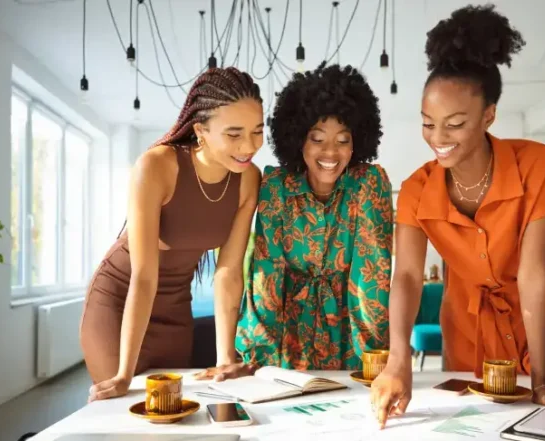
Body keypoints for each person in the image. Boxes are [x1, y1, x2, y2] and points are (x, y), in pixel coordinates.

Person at [370, 4, 545, 427]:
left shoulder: (538, 165)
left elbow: (534, 272)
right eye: (427, 123)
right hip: (469, 328)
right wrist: (399, 360)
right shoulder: (417, 189)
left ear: (488, 115)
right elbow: (405, 276)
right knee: (475, 430)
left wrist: (543, 379)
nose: (438, 138)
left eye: (455, 124)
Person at [195, 64, 393, 379]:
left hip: (351, 339)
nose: (331, 151)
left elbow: (371, 284)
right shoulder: (275, 187)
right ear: (299, 138)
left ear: (357, 141)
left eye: (343, 139)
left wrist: (373, 366)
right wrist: (256, 364)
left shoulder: (370, 184)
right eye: (317, 139)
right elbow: (266, 279)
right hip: (286, 341)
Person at [80, 67, 264, 401]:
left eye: (257, 131)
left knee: (169, 410)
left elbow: (228, 272)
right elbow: (144, 275)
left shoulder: (249, 179)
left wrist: (225, 358)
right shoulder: (157, 166)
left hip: (176, 304)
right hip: (121, 298)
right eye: (234, 134)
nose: (249, 146)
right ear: (201, 131)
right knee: (128, 411)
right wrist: (123, 375)